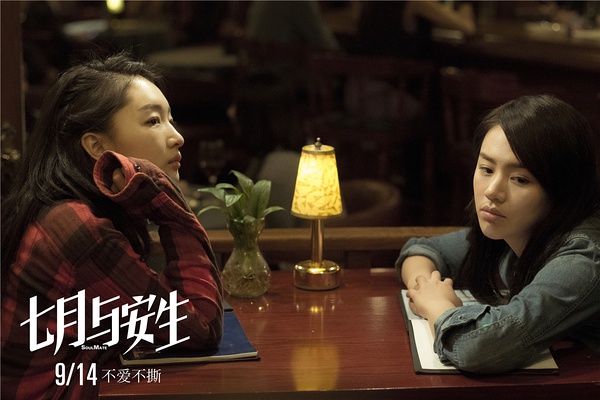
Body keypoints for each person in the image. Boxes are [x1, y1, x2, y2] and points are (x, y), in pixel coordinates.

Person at [1, 53, 224, 399]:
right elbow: (202, 327)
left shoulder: (59, 208)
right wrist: (170, 207)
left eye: (171, 119)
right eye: (153, 121)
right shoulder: (78, 229)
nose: (177, 137)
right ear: (97, 145)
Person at [396, 95, 600, 373]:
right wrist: (425, 290)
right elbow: (424, 249)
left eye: (520, 179)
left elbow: (479, 348)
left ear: (562, 188)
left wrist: (436, 306)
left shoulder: (584, 256)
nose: (492, 191)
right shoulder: (515, 226)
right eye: (487, 169)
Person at [352, 1, 476, 60]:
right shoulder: (418, 2)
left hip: (357, 90)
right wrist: (466, 3)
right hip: (389, 94)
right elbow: (467, 27)